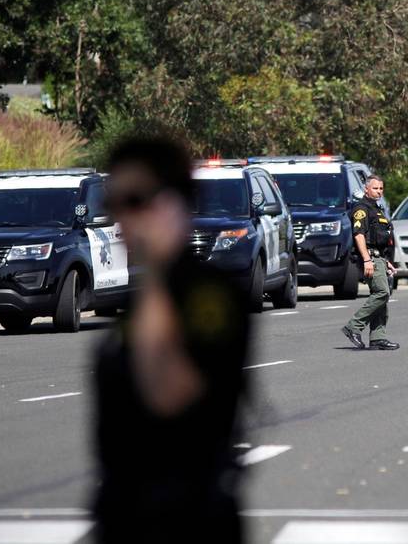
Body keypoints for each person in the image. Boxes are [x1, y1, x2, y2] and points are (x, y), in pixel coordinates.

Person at [93, 136, 250, 542]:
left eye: (135, 202)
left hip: (187, 518)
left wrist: (158, 273)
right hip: (125, 514)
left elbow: (171, 396)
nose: (120, 219)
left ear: (173, 202)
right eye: (114, 204)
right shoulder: (140, 297)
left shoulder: (209, 296)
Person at [341, 175, 400, 351]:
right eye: (375, 188)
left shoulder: (377, 209)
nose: (379, 191)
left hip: (378, 258)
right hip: (370, 258)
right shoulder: (362, 209)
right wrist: (367, 259)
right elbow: (359, 235)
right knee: (382, 292)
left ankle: (377, 338)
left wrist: (386, 261)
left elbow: (379, 238)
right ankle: (353, 327)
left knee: (383, 295)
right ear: (366, 189)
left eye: (381, 188)